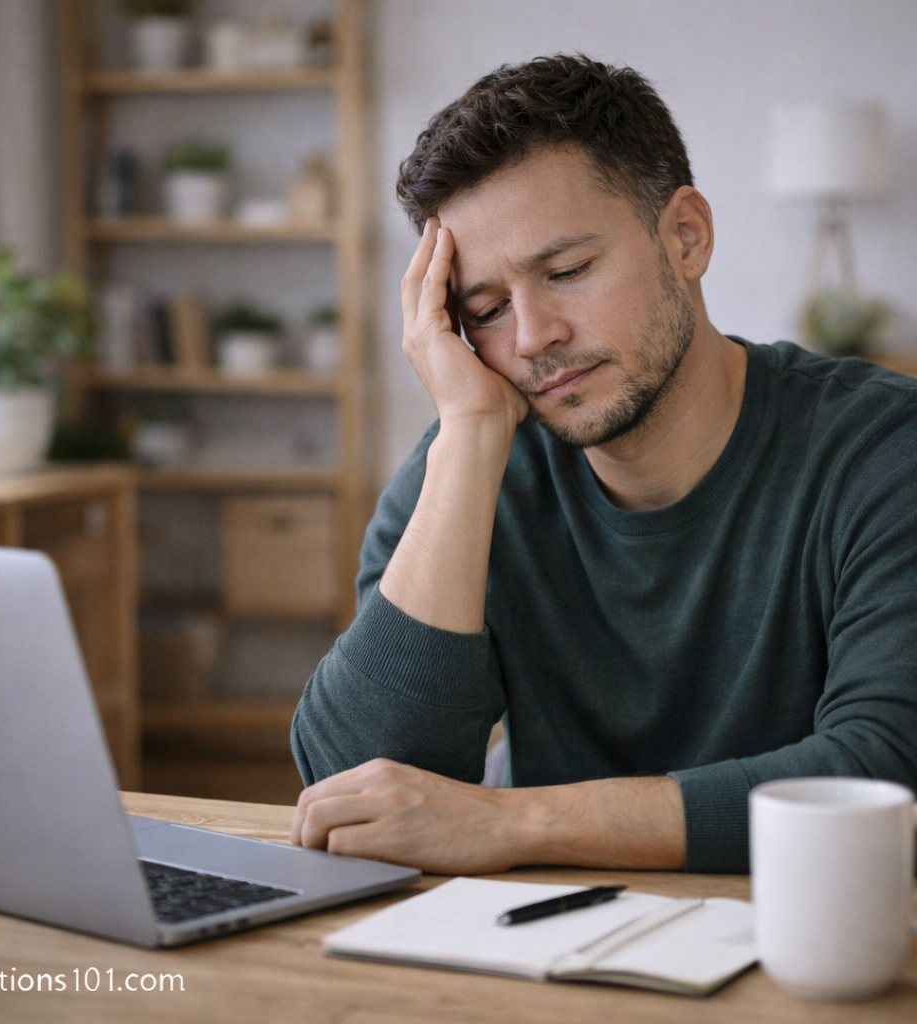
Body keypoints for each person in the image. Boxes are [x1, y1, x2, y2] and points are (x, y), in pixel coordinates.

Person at [289, 55, 917, 874]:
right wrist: (473, 433)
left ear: (685, 236)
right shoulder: (469, 467)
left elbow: (885, 772)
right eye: (485, 309)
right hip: (541, 957)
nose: (531, 335)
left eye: (568, 272)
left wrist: (514, 823)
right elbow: (355, 790)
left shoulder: (881, 449)